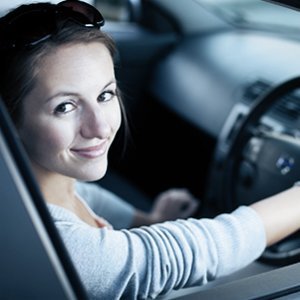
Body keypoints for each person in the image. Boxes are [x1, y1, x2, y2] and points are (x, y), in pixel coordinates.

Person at [0, 1, 300, 299]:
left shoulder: (39, 186)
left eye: (105, 95)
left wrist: (150, 220)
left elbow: (88, 199)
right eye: (65, 107)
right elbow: (188, 253)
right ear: (9, 122)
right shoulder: (54, 246)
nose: (100, 128)